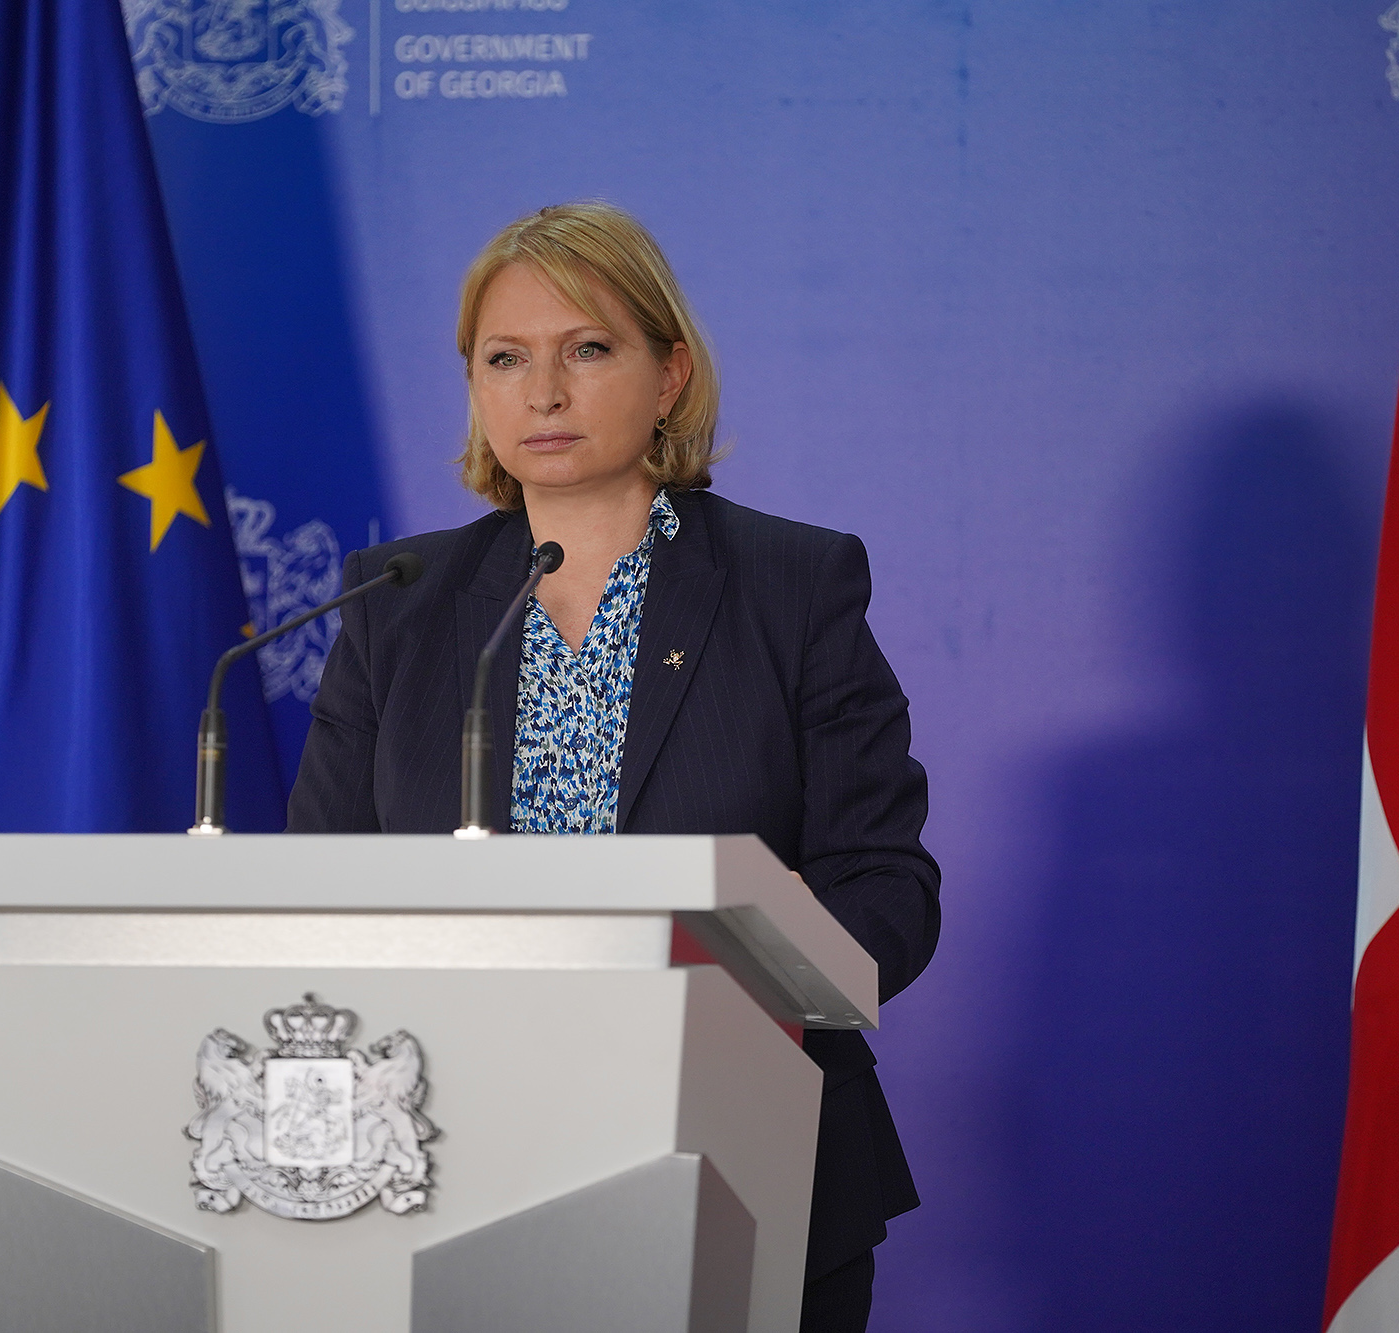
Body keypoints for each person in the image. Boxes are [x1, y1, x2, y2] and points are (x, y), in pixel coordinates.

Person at [286, 200, 940, 1331]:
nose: (542, 392)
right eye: (505, 358)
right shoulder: (395, 605)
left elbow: (887, 887)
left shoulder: (793, 584)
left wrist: (764, 959)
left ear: (669, 374)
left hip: (746, 1154)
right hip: (449, 1166)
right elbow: (316, 897)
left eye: (586, 349)